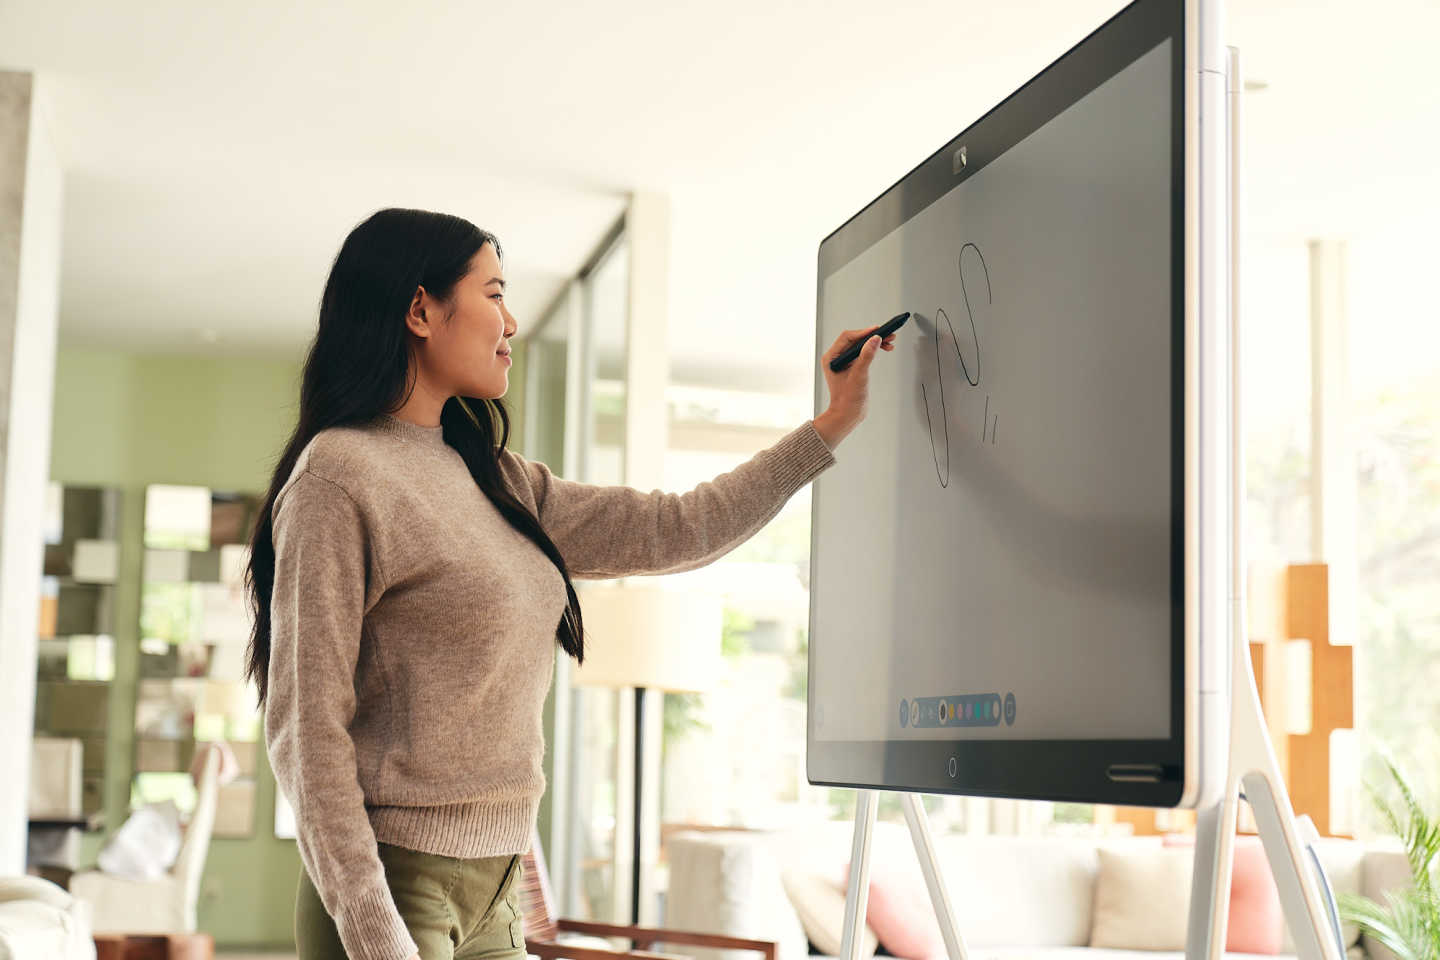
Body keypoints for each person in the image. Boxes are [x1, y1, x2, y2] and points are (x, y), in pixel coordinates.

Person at [241, 207, 895, 960]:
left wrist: (833, 424)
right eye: (493, 293)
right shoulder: (339, 475)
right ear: (421, 310)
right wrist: (373, 928)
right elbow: (306, 730)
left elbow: (679, 527)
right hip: (393, 888)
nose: (510, 320)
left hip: (498, 887)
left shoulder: (500, 480)